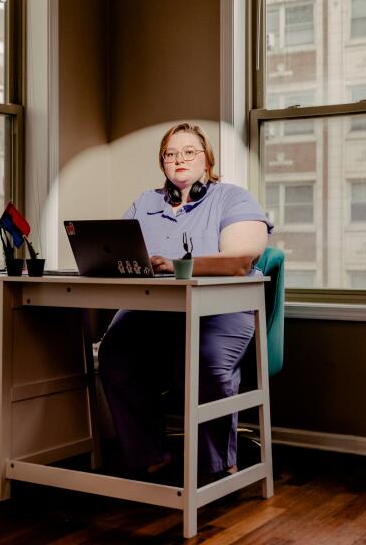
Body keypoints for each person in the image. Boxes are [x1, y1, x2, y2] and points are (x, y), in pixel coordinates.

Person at [98, 122, 272, 482]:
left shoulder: (233, 198)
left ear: (206, 160)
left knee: (204, 360)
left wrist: (176, 265)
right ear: (162, 163)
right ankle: (149, 454)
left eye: (189, 151)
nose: (179, 159)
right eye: (170, 153)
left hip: (221, 311)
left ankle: (218, 464)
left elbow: (241, 259)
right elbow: (117, 253)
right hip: (156, 311)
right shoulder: (144, 203)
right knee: (115, 353)